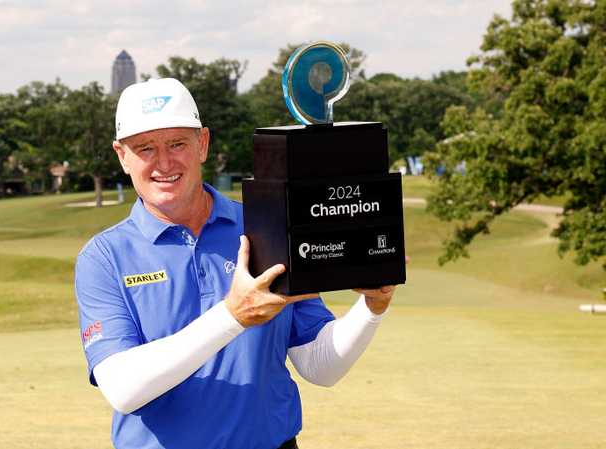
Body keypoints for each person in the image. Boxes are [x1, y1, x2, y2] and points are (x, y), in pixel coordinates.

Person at [75, 78, 396, 449]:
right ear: (122, 156)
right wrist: (233, 315)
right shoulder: (103, 257)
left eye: (178, 143)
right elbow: (124, 389)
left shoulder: (268, 227)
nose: (164, 162)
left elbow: (320, 366)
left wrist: (372, 308)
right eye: (145, 148)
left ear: (203, 145)